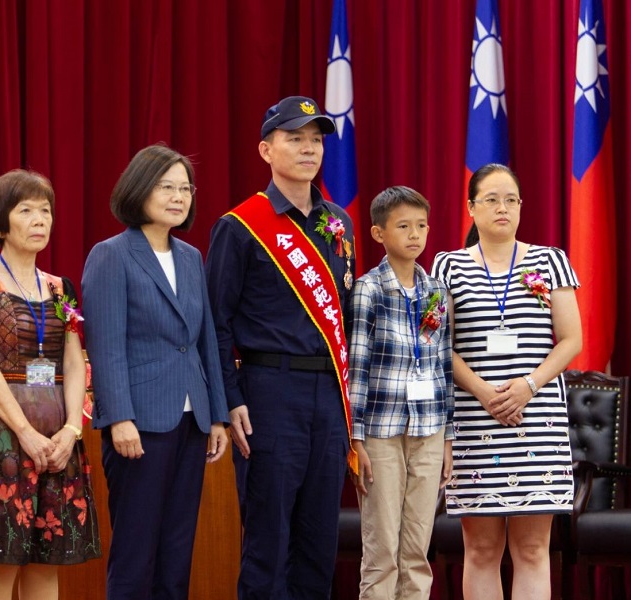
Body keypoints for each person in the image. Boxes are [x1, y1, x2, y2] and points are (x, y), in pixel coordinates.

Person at [205, 95, 357, 599]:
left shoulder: (338, 223)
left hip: (328, 394)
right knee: (268, 538)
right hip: (268, 391)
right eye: (296, 139)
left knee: (320, 540)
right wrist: (230, 399)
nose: (309, 149)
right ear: (266, 150)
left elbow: (346, 316)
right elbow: (216, 323)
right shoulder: (240, 226)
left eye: (316, 140)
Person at [82, 144, 229, 600]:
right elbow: (105, 346)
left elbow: (205, 341)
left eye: (185, 188)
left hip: (191, 419)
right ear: (139, 189)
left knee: (177, 549)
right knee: (135, 551)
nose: (178, 196)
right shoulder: (111, 254)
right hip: (139, 423)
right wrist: (119, 417)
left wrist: (218, 415)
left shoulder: (190, 256)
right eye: (166, 186)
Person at [430, 164, 582, 600]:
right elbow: (437, 343)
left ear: (521, 207)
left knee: (533, 548)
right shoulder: (448, 265)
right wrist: (481, 391)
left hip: (536, 419)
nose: (502, 208)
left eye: (511, 199)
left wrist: (528, 386)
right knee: (479, 548)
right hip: (474, 424)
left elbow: (571, 340)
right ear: (471, 208)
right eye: (491, 199)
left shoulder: (549, 259)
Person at [0, 169, 101, 600]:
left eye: (46, 211)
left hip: (58, 434)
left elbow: (74, 364)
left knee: (45, 562)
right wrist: (25, 433)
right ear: (2, 223)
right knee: (0, 560)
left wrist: (72, 429)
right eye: (27, 211)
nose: (40, 220)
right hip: (2, 435)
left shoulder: (61, 288)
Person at [348, 187, 453, 599]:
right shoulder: (368, 289)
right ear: (378, 233)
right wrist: (356, 440)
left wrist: (448, 437)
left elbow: (442, 364)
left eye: (422, 226)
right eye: (404, 226)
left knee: (416, 551)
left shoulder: (436, 292)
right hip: (381, 432)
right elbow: (356, 367)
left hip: (428, 429)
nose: (415, 235)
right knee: (383, 550)